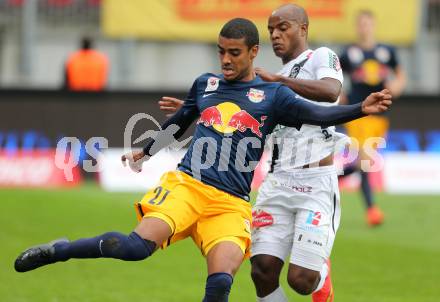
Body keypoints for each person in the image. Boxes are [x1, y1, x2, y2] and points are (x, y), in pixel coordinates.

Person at [15, 18, 391, 302]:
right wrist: (145, 151)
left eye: (234, 53)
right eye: (221, 52)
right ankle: (60, 250)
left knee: (222, 281)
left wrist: (360, 108)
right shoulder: (205, 85)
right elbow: (179, 122)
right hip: (188, 187)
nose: (225, 60)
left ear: (253, 52)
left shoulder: (274, 95)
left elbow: (319, 114)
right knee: (133, 249)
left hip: (230, 204)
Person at [160, 4, 345, 302]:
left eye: (283, 27)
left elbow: (330, 91)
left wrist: (279, 80)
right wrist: (191, 105)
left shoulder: (320, 57)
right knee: (261, 270)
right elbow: (242, 105)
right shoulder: (266, 79)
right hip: (278, 182)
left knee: (301, 281)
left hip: (315, 182)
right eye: (271, 29)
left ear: (303, 29)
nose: (275, 34)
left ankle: (320, 272)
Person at [339, 10, 406, 226]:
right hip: (358, 113)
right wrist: (340, 95)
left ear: (373, 26)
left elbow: (400, 75)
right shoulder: (349, 53)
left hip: (380, 115)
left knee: (363, 163)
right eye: (361, 24)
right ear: (358, 27)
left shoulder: (387, 51)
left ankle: (330, 178)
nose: (365, 28)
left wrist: (397, 86)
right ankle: (372, 210)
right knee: (365, 160)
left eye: (368, 24)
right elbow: (335, 76)